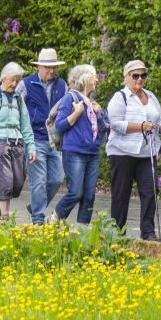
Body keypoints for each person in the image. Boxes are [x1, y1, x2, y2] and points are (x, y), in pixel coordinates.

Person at [106, 60, 161, 240]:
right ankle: (117, 233)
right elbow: (113, 124)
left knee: (151, 190)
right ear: (126, 77)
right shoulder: (120, 97)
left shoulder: (151, 96)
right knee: (121, 194)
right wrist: (140, 126)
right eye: (135, 75)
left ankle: (148, 232)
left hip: (147, 153)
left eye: (143, 75)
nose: (139, 79)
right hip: (122, 152)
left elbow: (156, 122)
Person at [46, 64, 110, 224]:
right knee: (75, 192)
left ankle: (82, 228)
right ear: (85, 78)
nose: (96, 79)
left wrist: (100, 112)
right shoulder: (70, 98)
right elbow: (60, 125)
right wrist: (77, 112)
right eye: (94, 75)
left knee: (89, 194)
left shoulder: (92, 101)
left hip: (93, 153)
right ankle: (54, 219)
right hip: (74, 152)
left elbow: (105, 128)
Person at [0, 62, 36, 221]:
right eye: (12, 80)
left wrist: (32, 148)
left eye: (17, 81)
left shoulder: (18, 98)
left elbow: (26, 125)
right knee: (5, 181)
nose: (14, 84)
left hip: (17, 143)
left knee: (18, 182)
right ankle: (5, 219)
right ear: (4, 77)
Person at [15, 48, 67, 224]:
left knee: (58, 177)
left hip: (56, 139)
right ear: (38, 66)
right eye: (47, 67)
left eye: (54, 68)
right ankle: (37, 219)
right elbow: (14, 107)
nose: (51, 71)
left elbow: (66, 109)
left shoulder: (61, 85)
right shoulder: (26, 84)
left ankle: (36, 204)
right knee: (38, 180)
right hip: (34, 138)